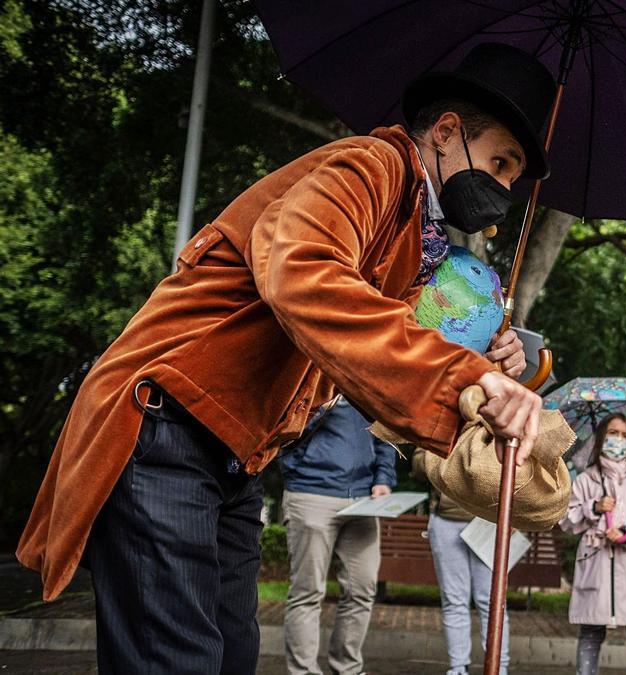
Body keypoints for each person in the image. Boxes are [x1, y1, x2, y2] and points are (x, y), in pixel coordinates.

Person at [17, 42, 552, 673]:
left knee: (232, 655)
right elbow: (303, 273)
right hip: (164, 425)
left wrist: (491, 365)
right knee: (176, 661)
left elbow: (378, 352)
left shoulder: (415, 237)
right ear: (444, 132)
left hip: (237, 456)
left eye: (515, 175)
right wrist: (465, 378)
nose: (505, 186)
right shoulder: (369, 166)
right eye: (501, 160)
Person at [279, 397, 396, 675]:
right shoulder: (310, 370)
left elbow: (386, 432)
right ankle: (304, 671)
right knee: (307, 592)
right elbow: (283, 429)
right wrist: (323, 406)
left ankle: (347, 669)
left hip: (363, 499)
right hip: (310, 492)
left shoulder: (367, 378)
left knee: (362, 591)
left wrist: (383, 478)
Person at [561, 414, 626, 675]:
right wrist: (594, 508)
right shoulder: (586, 480)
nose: (617, 440)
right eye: (612, 433)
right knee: (590, 633)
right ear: (600, 438)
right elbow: (567, 519)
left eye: (623, 435)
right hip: (596, 563)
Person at [412, 447, 512, 675]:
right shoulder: (441, 416)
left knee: (492, 601)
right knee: (453, 599)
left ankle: (498, 667)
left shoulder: (498, 417)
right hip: (446, 520)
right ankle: (458, 668)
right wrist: (441, 449)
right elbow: (418, 466)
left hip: (489, 521)